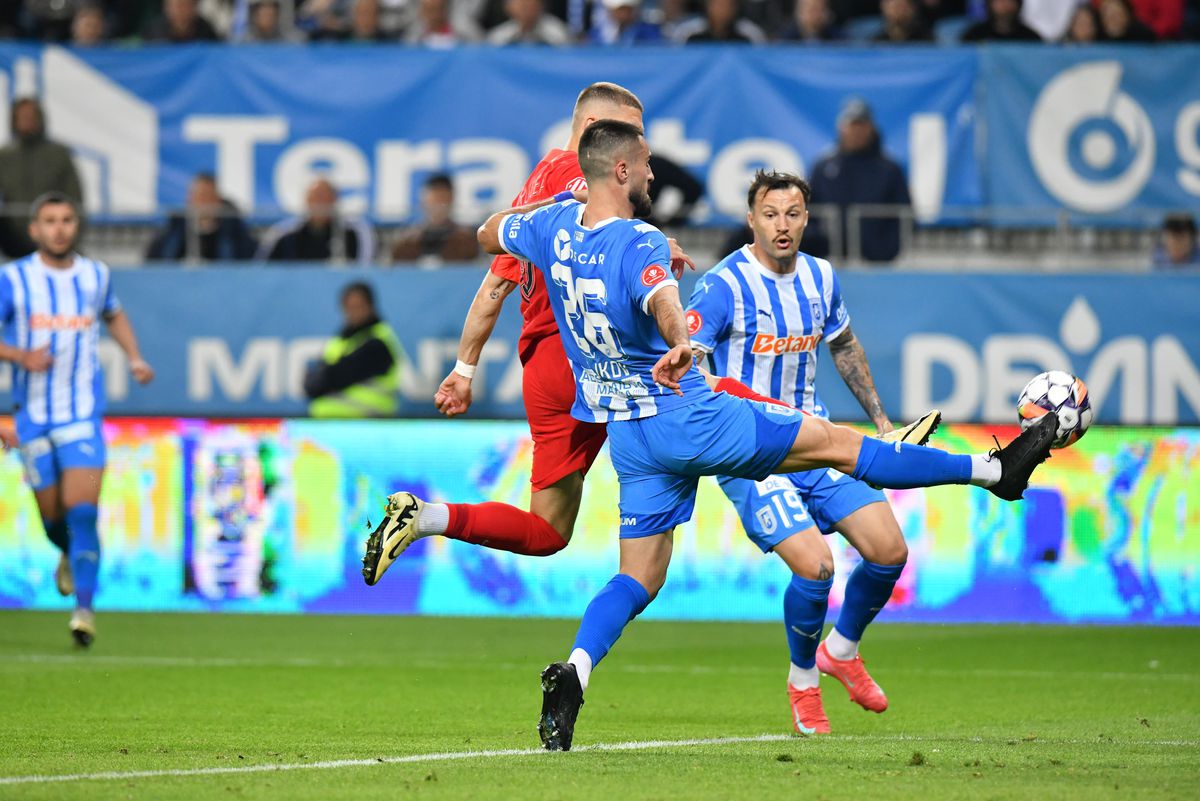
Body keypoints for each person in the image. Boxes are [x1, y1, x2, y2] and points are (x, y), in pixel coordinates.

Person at [477, 120, 1055, 750]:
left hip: (630, 436)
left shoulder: (550, 226)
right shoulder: (642, 240)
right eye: (644, 164)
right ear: (619, 170)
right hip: (690, 414)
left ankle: (576, 671)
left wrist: (561, 206)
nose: (651, 174)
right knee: (837, 444)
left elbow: (488, 230)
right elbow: (668, 306)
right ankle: (998, 472)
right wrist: (679, 345)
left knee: (637, 577)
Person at [687, 170, 923, 734]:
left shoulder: (821, 277)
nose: (782, 225)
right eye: (770, 214)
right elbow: (690, 363)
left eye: (792, 214)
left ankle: (840, 650)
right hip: (751, 453)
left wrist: (883, 423)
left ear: (806, 219)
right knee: (816, 567)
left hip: (816, 440)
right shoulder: (724, 286)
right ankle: (803, 683)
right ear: (751, 220)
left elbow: (843, 345)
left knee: (889, 550)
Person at [0, 192, 155, 647]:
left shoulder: (95, 275)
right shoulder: (14, 278)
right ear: (35, 229)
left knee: (83, 511)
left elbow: (114, 314)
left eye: (67, 220)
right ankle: (68, 554)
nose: (59, 228)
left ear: (76, 226)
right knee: (53, 519)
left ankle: (83, 611)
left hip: (81, 416)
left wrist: (135, 357)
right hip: (32, 418)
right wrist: (19, 355)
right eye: (50, 221)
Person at [807, 98, 911, 264]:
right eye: (852, 125)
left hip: (877, 265)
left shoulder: (889, 170)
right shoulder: (824, 167)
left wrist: (884, 251)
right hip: (830, 261)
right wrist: (819, 247)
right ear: (841, 128)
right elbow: (809, 211)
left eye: (861, 125)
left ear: (871, 128)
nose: (856, 132)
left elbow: (904, 214)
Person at [304, 282, 403, 417]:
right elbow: (312, 384)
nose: (353, 312)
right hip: (331, 424)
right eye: (349, 307)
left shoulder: (378, 341)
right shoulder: (341, 339)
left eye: (358, 306)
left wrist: (321, 378)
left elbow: (334, 377)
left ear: (370, 306)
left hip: (368, 423)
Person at [0, 98, 83, 258]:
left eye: (31, 117)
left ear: (40, 119)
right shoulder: (4, 157)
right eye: (22, 117)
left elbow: (75, 199)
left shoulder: (58, 154)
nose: (27, 122)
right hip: (13, 240)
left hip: (53, 237)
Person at [145, 173, 258, 262]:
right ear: (189, 200)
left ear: (217, 199)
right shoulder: (175, 227)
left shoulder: (233, 229)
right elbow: (155, 261)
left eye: (208, 196)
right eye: (199, 196)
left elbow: (250, 261)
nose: (204, 202)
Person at [259, 178, 376, 265]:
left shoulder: (355, 232)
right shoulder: (284, 234)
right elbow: (261, 271)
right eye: (316, 198)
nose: (321, 203)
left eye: (326, 197)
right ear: (306, 200)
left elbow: (366, 268)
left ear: (335, 200)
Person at [390, 173, 480, 264]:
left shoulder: (466, 241)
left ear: (451, 200)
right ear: (423, 201)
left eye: (443, 199)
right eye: (434, 200)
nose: (438, 206)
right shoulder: (406, 242)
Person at [674, 0, 768, 42]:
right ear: (708, 6)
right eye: (718, 4)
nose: (723, 9)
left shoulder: (751, 35)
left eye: (728, 4)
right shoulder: (688, 33)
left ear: (735, 7)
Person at [486, 0, 572, 44]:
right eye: (522, 5)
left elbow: (567, 54)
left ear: (540, 7)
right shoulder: (500, 34)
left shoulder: (556, 31)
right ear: (510, 9)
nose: (526, 10)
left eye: (531, 5)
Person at [589, 0, 664, 44]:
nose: (623, 14)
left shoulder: (649, 32)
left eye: (626, 9)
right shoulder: (597, 33)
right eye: (619, 10)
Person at [961, 0, 1043, 40]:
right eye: (1000, 1)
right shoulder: (974, 35)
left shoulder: (1030, 38)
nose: (1004, 6)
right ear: (990, 4)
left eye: (1010, 1)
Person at [143, 0, 222, 41]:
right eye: (175, 5)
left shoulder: (205, 29)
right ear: (166, 7)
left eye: (184, 5)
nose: (179, 10)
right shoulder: (154, 31)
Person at [778, 0, 843, 41]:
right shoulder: (785, 39)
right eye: (811, 9)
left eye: (820, 9)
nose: (815, 15)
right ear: (799, 12)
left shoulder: (837, 38)